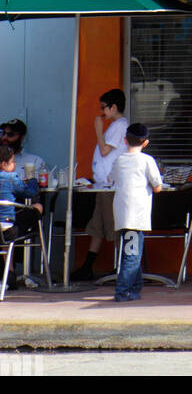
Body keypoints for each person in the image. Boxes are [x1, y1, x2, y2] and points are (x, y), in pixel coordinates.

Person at [72, 88, 129, 281]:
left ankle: (120, 265)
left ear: (113, 107)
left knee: (111, 226)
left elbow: (105, 151)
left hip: (111, 187)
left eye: (103, 108)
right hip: (103, 185)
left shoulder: (119, 126)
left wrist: (97, 128)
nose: (101, 112)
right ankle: (88, 265)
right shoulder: (115, 126)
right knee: (98, 226)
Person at [110, 122, 162, 302]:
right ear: (146, 142)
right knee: (131, 254)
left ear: (125, 140)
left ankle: (135, 287)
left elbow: (112, 179)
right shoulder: (147, 160)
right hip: (136, 215)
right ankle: (122, 291)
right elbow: (157, 187)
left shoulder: (119, 160)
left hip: (122, 213)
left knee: (132, 250)